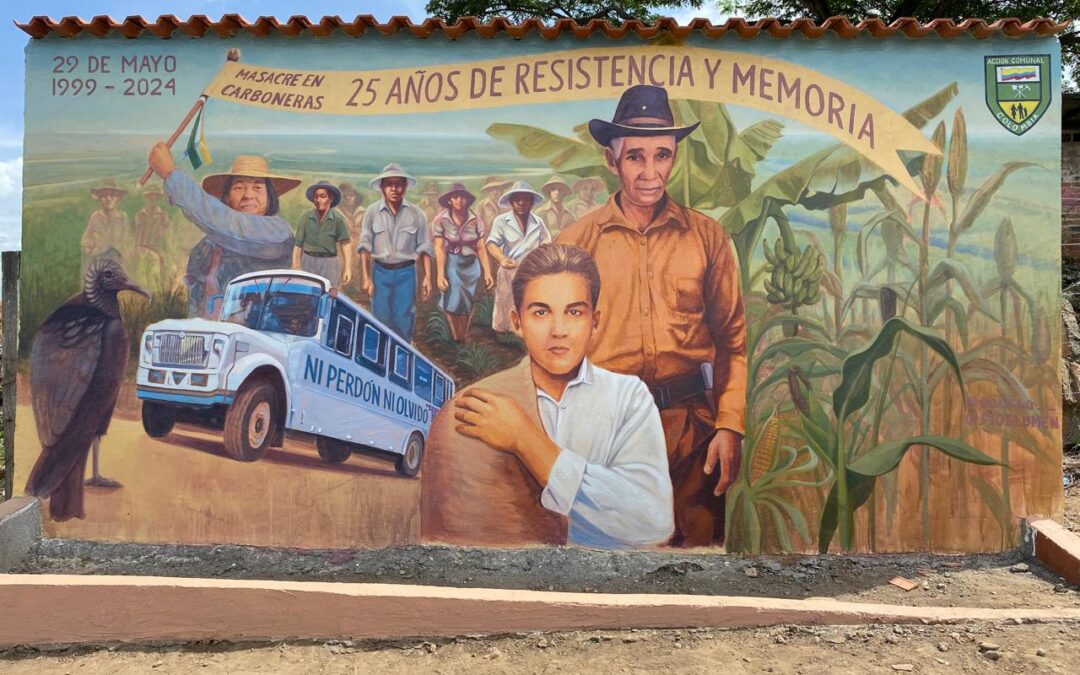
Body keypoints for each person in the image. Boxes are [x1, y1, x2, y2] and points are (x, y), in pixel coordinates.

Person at [557, 84, 747, 548]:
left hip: (691, 431)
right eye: (636, 157)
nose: (649, 171)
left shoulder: (707, 237)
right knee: (613, 566)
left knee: (699, 563)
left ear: (674, 157)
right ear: (612, 160)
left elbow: (733, 341)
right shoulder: (577, 242)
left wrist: (729, 425)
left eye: (661, 155)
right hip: (609, 430)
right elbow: (555, 345)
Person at [434, 243, 673, 550]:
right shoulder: (480, 404)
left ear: (594, 321)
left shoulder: (628, 396)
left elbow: (653, 520)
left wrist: (527, 441)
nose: (559, 330)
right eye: (541, 312)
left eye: (574, 312)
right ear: (517, 322)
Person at [147, 144, 299, 318]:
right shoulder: (204, 248)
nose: (248, 195)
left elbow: (230, 224)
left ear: (270, 196)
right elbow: (196, 301)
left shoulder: (277, 232)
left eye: (257, 188)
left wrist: (171, 174)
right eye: (239, 187)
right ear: (226, 197)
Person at [356, 162, 434, 342]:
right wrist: (367, 278)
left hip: (406, 272)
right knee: (380, 318)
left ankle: (401, 359)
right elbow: (365, 246)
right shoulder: (372, 212)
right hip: (380, 272)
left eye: (398, 184)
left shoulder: (416, 214)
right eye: (389, 184)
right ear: (382, 187)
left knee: (404, 318)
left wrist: (427, 277)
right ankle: (380, 360)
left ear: (405, 186)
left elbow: (424, 248)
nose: (394, 188)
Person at [485, 181, 551, 334]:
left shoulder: (537, 222)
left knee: (532, 301)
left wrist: (541, 263)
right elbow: (491, 243)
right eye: (517, 199)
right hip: (510, 269)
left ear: (531, 202)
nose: (521, 203)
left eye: (525, 199)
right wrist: (502, 259)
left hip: (533, 271)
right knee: (507, 303)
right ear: (511, 202)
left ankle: (529, 331)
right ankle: (506, 334)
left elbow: (547, 244)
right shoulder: (501, 221)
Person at [432, 182, 495, 342]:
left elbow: (480, 247)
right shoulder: (441, 220)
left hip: (471, 264)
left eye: (463, 197)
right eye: (455, 197)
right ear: (449, 201)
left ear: (468, 200)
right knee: (452, 299)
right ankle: (455, 336)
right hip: (451, 262)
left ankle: (463, 335)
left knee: (467, 301)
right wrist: (440, 275)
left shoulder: (475, 220)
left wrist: (487, 272)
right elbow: (439, 247)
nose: (459, 200)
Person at [292, 181, 352, 287]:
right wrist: (295, 265)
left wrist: (347, 268)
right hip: (308, 261)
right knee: (307, 292)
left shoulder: (338, 219)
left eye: (323, 196)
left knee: (328, 292)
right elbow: (298, 244)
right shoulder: (306, 217)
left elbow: (345, 244)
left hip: (329, 263)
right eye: (316, 197)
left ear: (331, 199)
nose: (318, 200)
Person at [81, 179, 129, 268]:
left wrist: (121, 254)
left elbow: (128, 241)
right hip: (98, 264)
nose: (108, 199)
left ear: (117, 198)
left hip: (117, 265)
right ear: (99, 198)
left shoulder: (122, 217)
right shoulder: (95, 217)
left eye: (112, 195)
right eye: (104, 195)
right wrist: (96, 251)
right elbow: (86, 242)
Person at [132, 187, 169, 291]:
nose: (152, 199)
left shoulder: (163, 215)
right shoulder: (139, 215)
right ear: (146, 198)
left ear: (158, 199)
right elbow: (135, 233)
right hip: (141, 249)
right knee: (140, 278)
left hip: (157, 249)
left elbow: (167, 233)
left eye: (155, 197)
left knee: (157, 277)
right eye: (149, 197)